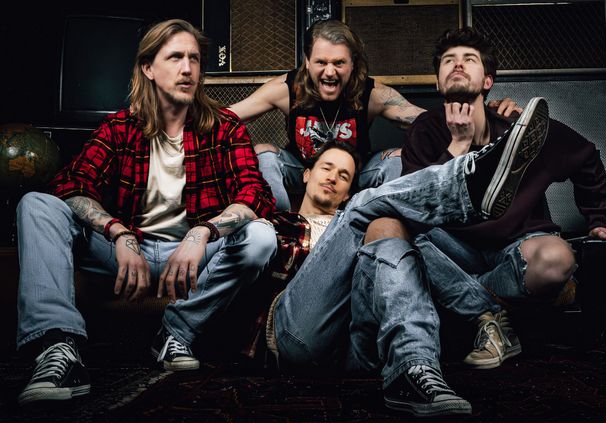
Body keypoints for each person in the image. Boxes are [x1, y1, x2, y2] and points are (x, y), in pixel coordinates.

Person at [16, 19, 277, 404]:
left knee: (262, 236)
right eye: (175, 58)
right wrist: (118, 233)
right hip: (126, 252)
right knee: (37, 204)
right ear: (148, 68)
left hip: (193, 255)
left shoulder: (225, 127)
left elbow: (255, 193)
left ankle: (176, 332)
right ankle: (58, 348)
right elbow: (71, 185)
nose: (187, 69)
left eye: (194, 59)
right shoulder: (120, 128)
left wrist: (201, 232)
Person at [266, 104, 548, 416]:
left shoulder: (364, 221)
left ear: (346, 191)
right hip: (299, 334)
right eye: (326, 168)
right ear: (306, 174)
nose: (333, 178)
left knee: (388, 225)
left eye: (344, 175)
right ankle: (467, 187)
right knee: (365, 210)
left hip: (360, 348)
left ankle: (413, 366)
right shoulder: (277, 223)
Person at [399, 27, 606, 368]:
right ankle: (493, 311)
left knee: (558, 259)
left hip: (517, 245)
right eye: (448, 60)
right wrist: (457, 145)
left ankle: (472, 301)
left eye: (468, 59)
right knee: (395, 231)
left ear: (487, 80)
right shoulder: (424, 131)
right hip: (451, 251)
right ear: (438, 83)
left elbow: (586, 157)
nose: (457, 64)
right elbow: (415, 205)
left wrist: (599, 221)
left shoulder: (520, 128)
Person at [229, 19, 521, 210]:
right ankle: (281, 226)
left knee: (396, 158)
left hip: (355, 173)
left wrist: (485, 108)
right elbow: (226, 118)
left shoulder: (372, 94)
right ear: (307, 62)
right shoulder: (286, 89)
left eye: (339, 63)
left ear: (352, 65)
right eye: (321, 62)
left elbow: (431, 120)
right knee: (264, 153)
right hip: (302, 169)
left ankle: (389, 223)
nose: (329, 72)